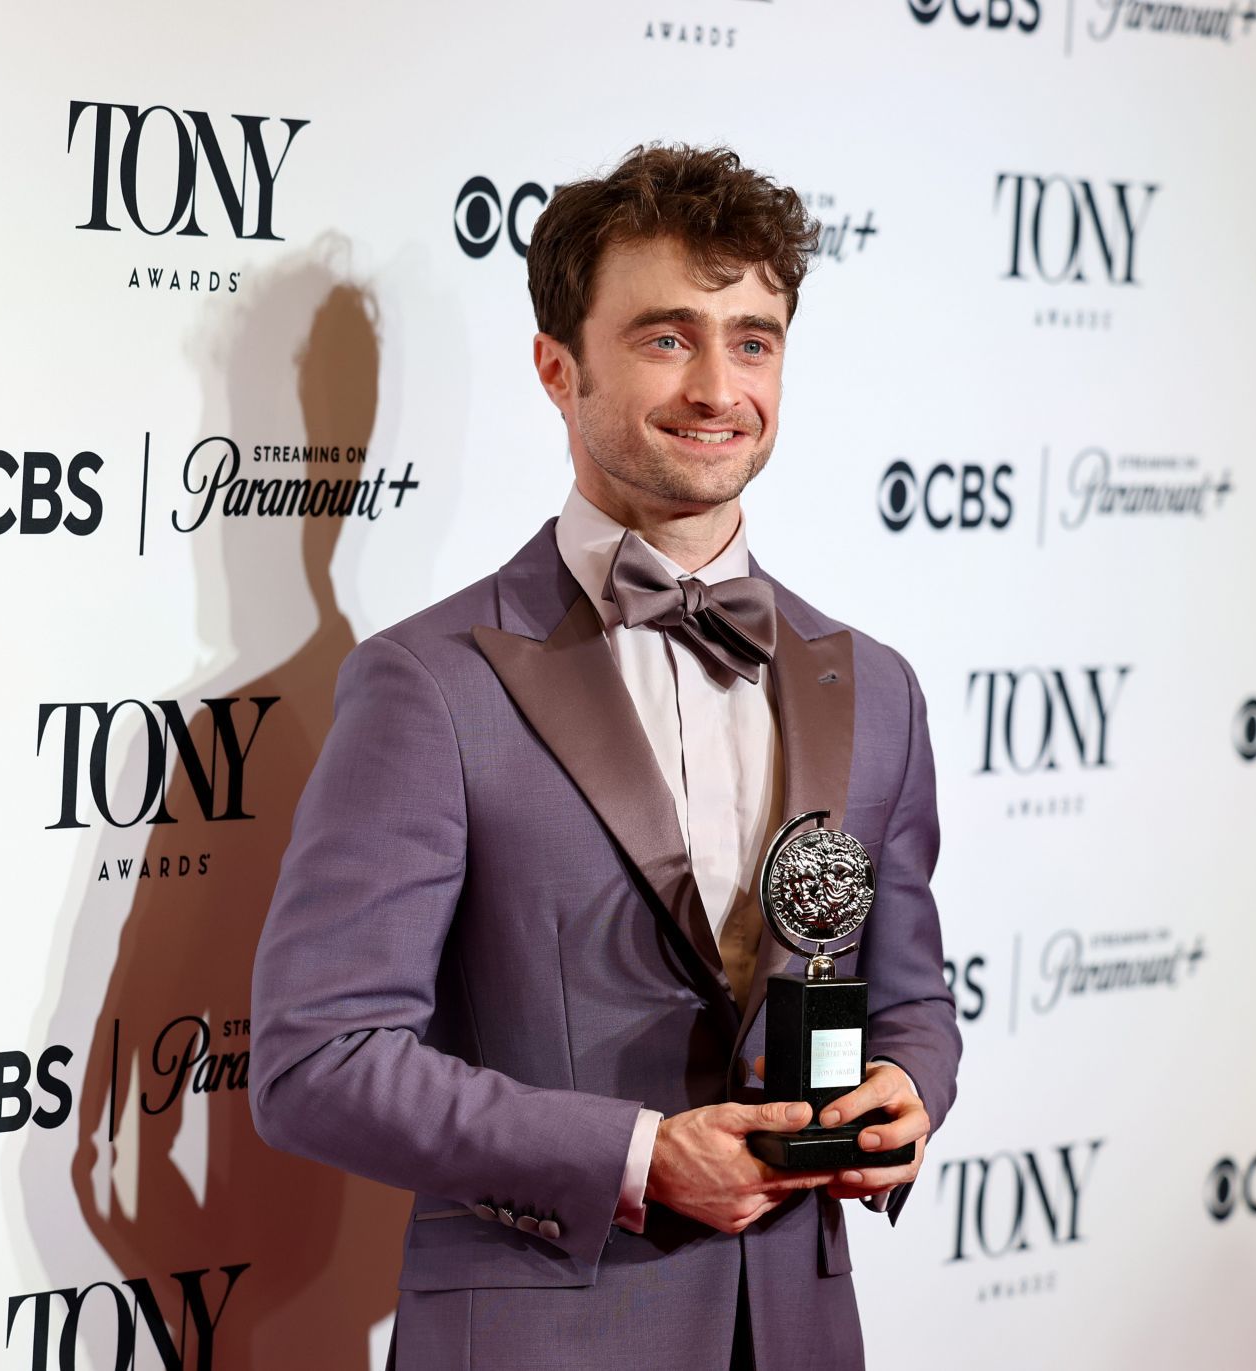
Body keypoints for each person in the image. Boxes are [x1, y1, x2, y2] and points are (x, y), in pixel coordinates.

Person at [251, 143, 961, 1371]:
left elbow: (910, 996)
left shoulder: (875, 688)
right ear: (557, 367)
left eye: (753, 339)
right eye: (667, 337)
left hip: (799, 1331)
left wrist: (906, 1090)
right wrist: (635, 1155)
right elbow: (319, 1062)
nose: (718, 386)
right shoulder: (430, 685)